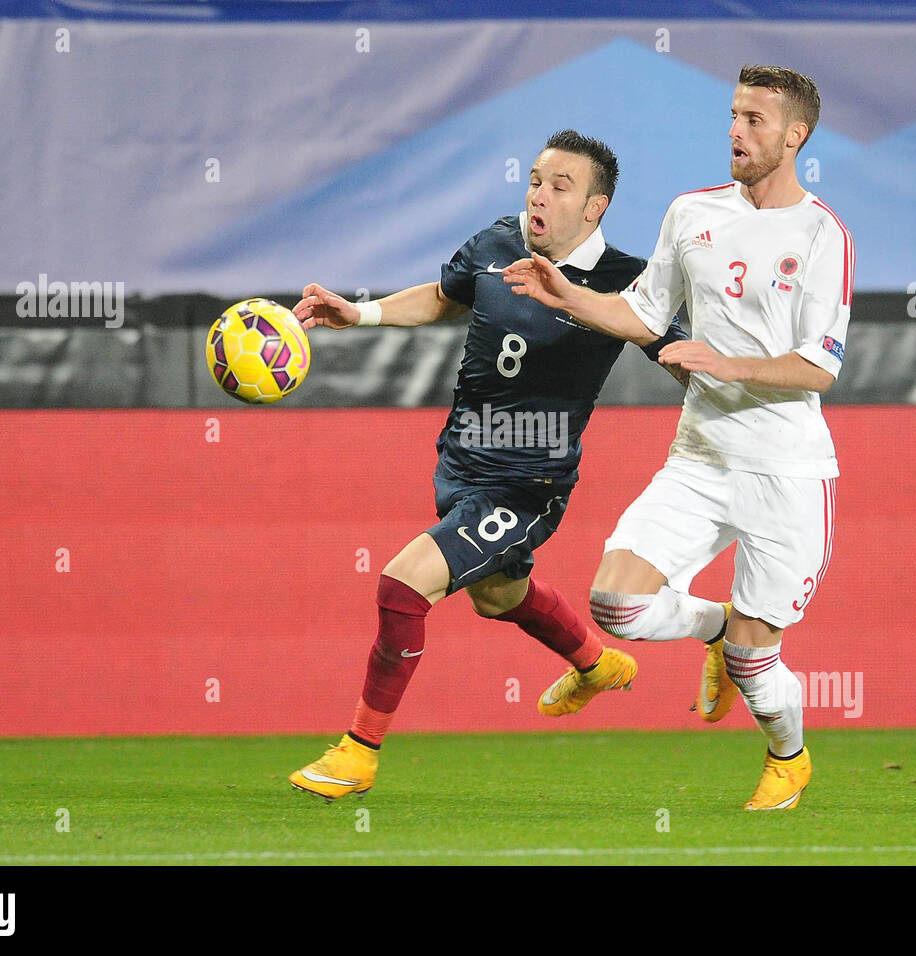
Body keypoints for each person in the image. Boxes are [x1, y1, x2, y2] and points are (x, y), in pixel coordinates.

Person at [289, 130, 689, 800]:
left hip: (530, 485)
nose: (538, 194)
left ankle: (357, 753)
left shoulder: (626, 285)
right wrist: (358, 313)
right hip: (461, 463)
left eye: (560, 186)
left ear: (595, 208)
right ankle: (595, 665)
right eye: (535, 179)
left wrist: (737, 396)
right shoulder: (498, 243)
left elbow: (680, 357)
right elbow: (446, 295)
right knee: (498, 595)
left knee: (403, 584)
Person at [505, 66, 852, 810]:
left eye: (755, 120)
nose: (735, 131)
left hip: (786, 472)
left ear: (794, 136)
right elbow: (644, 312)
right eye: (733, 115)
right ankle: (718, 624)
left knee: (757, 666)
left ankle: (787, 757)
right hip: (700, 457)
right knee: (615, 606)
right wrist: (570, 295)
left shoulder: (824, 234)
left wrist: (725, 363)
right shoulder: (692, 213)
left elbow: (820, 366)